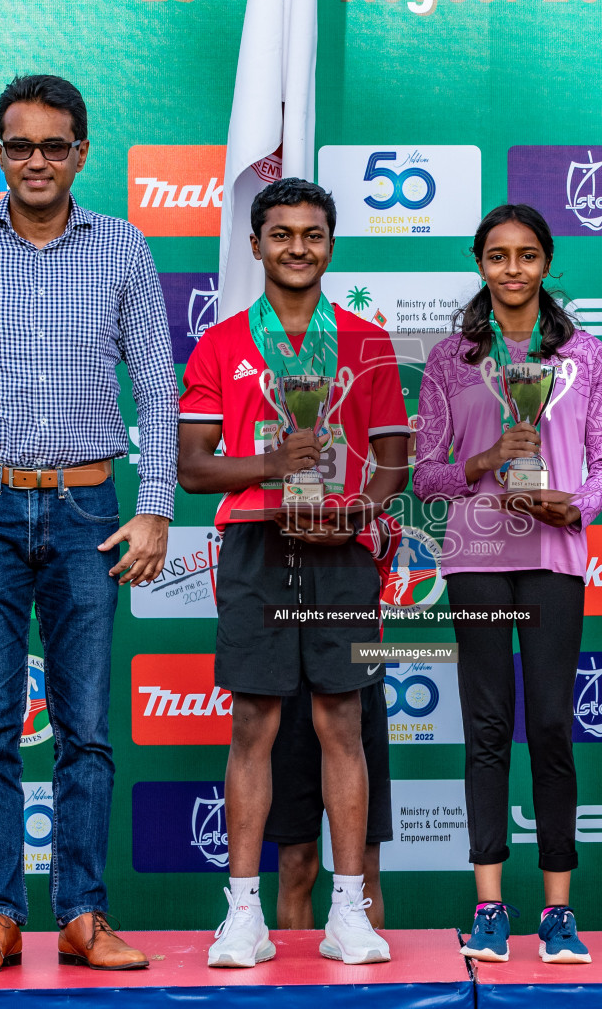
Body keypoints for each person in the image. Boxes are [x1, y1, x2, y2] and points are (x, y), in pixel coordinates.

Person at [0, 74, 178, 974]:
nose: (36, 162)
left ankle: (83, 915)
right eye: (19, 146)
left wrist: (157, 506)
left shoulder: (124, 247)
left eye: (54, 146)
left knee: (86, 726)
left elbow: (160, 389)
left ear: (81, 152)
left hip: (90, 510)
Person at [178, 177, 410, 967]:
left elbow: (392, 461)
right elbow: (194, 468)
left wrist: (363, 511)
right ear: (256, 245)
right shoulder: (219, 343)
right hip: (256, 543)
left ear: (331, 245)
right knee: (255, 726)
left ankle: (350, 910)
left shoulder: (368, 343)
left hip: (340, 551)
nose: (298, 247)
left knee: (342, 723)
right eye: (282, 234)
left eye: (313, 233)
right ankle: (243, 914)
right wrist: (275, 462)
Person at [414, 204, 602, 964]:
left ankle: (559, 913)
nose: (512, 269)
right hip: (476, 557)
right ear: (480, 263)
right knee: (487, 730)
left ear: (546, 263)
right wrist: (486, 458)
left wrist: (581, 504)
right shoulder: (449, 359)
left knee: (554, 727)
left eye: (526, 256)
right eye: (497, 256)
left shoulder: (586, 356)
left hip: (554, 556)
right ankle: (491, 905)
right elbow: (428, 474)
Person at [265, 678, 389, 933]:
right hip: (289, 684)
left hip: (354, 678)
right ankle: (295, 971)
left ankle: (367, 965)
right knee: (295, 862)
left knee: (364, 863)